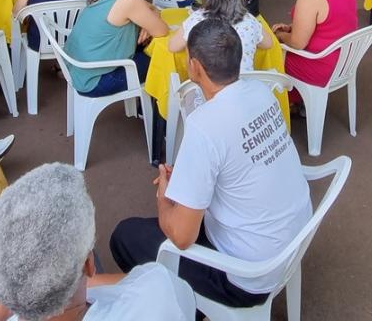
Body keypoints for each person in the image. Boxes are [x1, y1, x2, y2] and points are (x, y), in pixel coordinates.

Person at [110, 19, 311, 309]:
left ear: (195, 67)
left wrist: (163, 197)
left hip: (245, 278)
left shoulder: (205, 124)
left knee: (125, 236)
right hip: (290, 244)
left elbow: (181, 236)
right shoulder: (262, 93)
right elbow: (241, 160)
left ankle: (188, 308)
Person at [0, 163, 195, 321]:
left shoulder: (9, 308)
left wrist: (16, 294)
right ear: (88, 265)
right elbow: (148, 282)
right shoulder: (158, 293)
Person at [64, 0, 169, 96]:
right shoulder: (129, 0)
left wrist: (150, 18)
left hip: (79, 69)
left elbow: (150, 8)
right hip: (95, 80)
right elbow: (162, 30)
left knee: (146, 47)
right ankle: (153, 114)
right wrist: (151, 21)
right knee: (162, 60)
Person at [274, 0, 357, 96]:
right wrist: (292, 27)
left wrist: (280, 35)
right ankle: (304, 103)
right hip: (345, 61)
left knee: (270, 54)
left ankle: (286, 105)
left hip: (321, 64)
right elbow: (330, 23)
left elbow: (298, 43)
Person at [167, 0, 271, 72]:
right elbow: (268, 44)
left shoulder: (196, 19)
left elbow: (173, 46)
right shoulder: (249, 20)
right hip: (245, 85)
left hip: (208, 86)